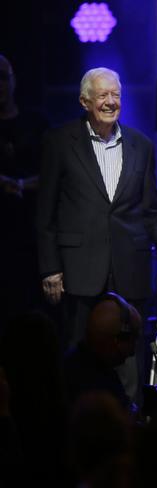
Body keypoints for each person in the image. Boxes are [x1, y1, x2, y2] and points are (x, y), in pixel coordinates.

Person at [36, 67, 157, 401]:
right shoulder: (59, 142)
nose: (111, 102)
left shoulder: (142, 145)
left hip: (130, 267)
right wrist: (50, 267)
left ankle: (129, 431)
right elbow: (45, 213)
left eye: (116, 95)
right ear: (85, 101)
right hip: (78, 270)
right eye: (102, 95)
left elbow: (152, 210)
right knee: (77, 354)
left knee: (128, 360)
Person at [0, 54, 49, 321]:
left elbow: (55, 173)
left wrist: (21, 185)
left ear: (13, 80)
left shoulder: (36, 122)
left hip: (31, 236)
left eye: (3, 77)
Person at [64, 293, 142, 410]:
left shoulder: (69, 365)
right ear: (116, 341)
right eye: (132, 340)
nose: (132, 351)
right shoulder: (102, 385)